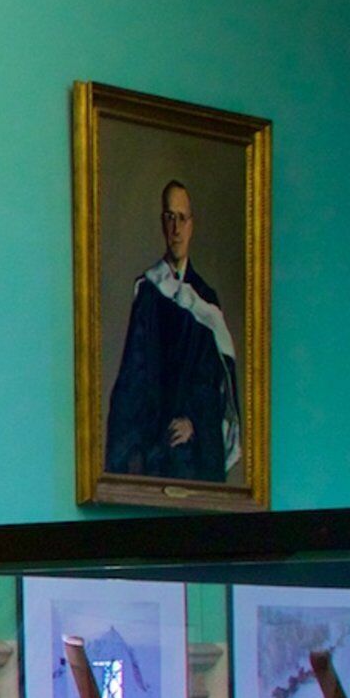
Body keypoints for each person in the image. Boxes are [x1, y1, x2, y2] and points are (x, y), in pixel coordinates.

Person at [104, 178, 241, 483]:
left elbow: (211, 383)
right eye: (169, 217)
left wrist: (193, 421)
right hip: (155, 447)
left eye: (182, 218)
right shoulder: (149, 293)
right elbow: (133, 377)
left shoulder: (206, 301)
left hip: (192, 452)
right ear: (162, 223)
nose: (176, 228)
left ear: (191, 224)